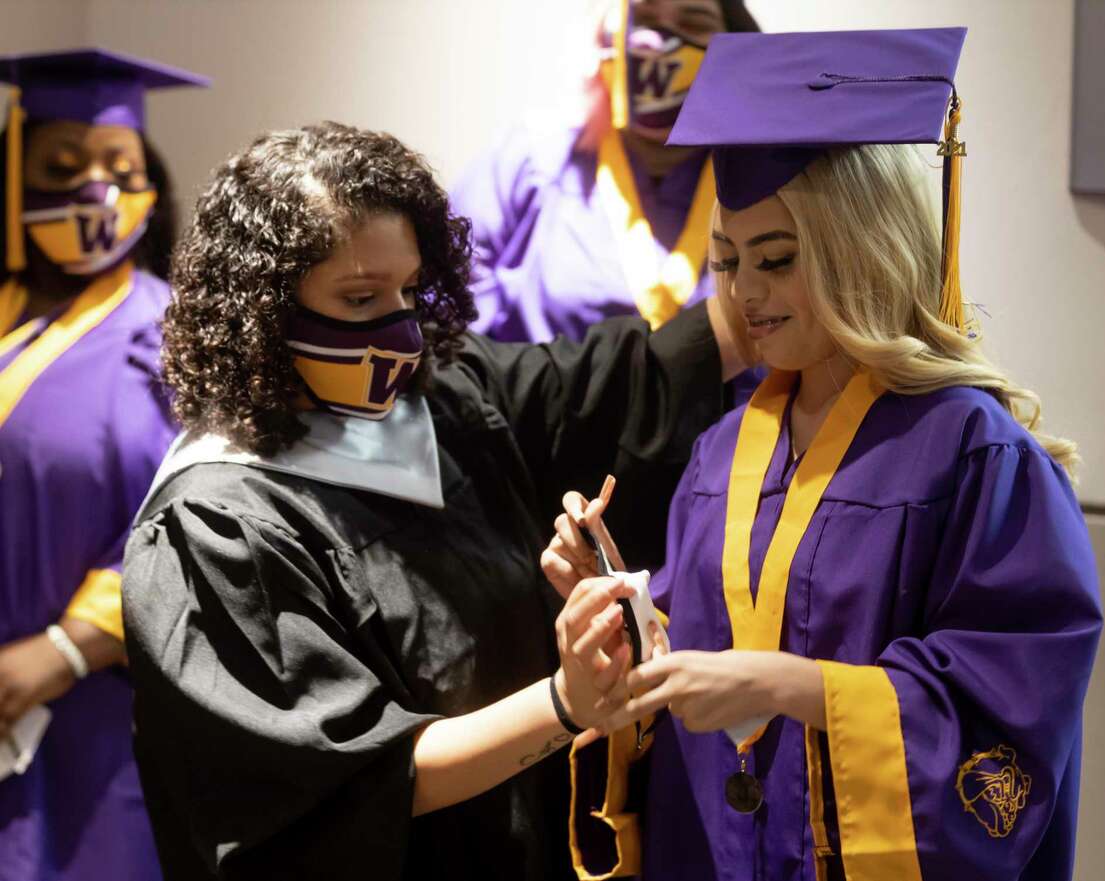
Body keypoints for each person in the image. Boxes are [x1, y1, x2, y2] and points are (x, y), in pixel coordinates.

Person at [546, 28, 1104, 881]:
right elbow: (705, 669)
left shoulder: (974, 454)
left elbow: (1010, 710)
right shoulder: (721, 454)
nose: (744, 293)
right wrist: (631, 617)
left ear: (860, 248)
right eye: (727, 261)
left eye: (777, 258)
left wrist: (790, 686)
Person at [120, 120, 747, 880]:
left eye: (410, 290)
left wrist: (769, 281)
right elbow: (351, 782)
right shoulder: (217, 527)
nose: (403, 333)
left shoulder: (447, 404)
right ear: (263, 310)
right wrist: (564, 702)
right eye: (359, 298)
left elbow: (626, 383)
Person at [0, 48, 208, 881]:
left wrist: (65, 647)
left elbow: (198, 520)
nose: (94, 188)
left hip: (94, 712)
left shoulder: (177, 339)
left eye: (119, 167)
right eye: (61, 165)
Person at [452, 0, 759, 343]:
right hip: (532, 395)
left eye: (693, 22)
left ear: (736, 47)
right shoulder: (530, 161)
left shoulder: (767, 182)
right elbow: (449, 322)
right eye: (642, 19)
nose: (657, 44)